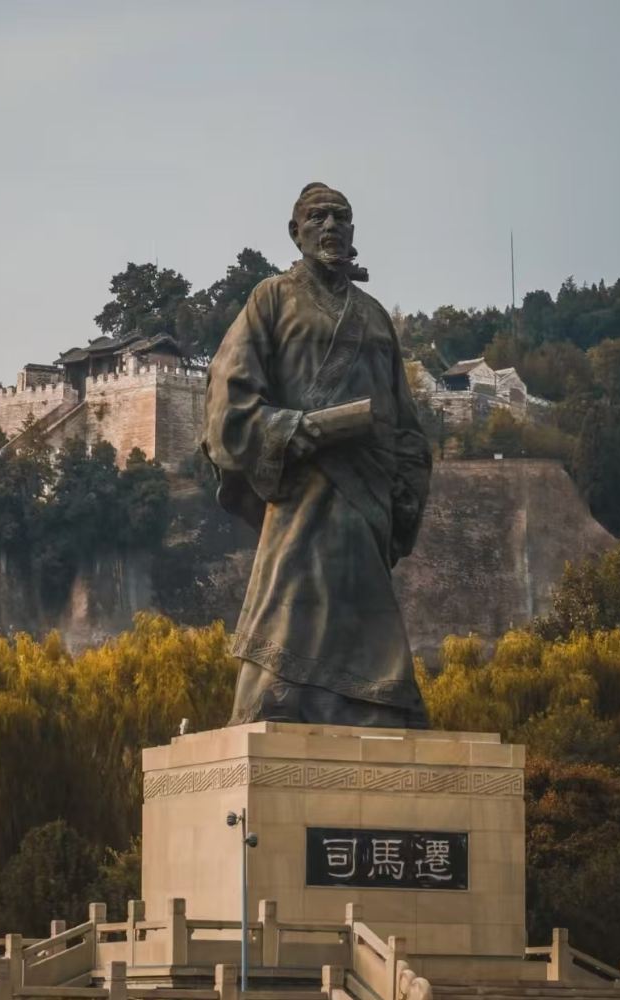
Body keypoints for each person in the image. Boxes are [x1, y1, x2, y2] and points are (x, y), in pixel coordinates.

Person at [202, 182, 432, 728]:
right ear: (295, 231)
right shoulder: (272, 298)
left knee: (366, 613)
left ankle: (376, 703)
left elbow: (404, 422)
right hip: (301, 491)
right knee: (290, 605)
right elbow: (229, 397)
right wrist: (292, 430)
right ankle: (280, 695)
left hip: (367, 502)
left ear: (353, 231)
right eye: (318, 217)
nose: (330, 226)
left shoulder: (374, 317)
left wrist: (403, 496)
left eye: (341, 217)